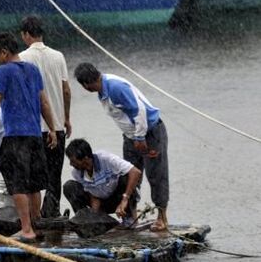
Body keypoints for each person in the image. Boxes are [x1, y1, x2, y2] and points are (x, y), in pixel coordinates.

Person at [0, 32, 59, 242]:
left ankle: (26, 229)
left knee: (17, 184)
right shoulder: (32, 69)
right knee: (34, 184)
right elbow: (44, 102)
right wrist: (53, 129)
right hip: (35, 135)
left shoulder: (4, 71)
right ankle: (35, 225)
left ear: (4, 52)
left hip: (15, 136)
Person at [74, 62, 170, 231]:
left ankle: (162, 217)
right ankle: (131, 218)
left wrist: (140, 137)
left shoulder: (114, 87)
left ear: (86, 84)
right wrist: (133, 137)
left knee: (156, 175)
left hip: (149, 133)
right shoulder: (102, 91)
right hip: (130, 136)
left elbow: (138, 110)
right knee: (128, 175)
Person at [18, 16, 71, 219]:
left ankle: (35, 217)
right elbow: (66, 90)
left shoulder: (21, 58)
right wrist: (66, 118)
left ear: (26, 34)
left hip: (32, 128)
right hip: (56, 125)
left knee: (33, 176)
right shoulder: (58, 56)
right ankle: (52, 212)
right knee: (54, 173)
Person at [63, 138, 141, 222]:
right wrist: (94, 216)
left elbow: (135, 172)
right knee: (69, 186)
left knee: (126, 177)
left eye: (73, 161)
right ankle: (83, 219)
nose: (71, 164)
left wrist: (124, 199)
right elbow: (93, 195)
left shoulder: (106, 159)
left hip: (119, 199)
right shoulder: (77, 173)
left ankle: (128, 218)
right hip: (103, 203)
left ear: (85, 158)